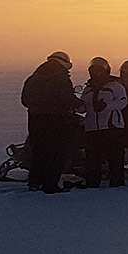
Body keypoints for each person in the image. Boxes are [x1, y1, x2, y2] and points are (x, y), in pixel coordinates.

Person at [21, 51, 80, 193]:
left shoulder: (33, 78)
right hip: (56, 120)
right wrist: (81, 105)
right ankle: (51, 185)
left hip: (35, 120)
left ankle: (34, 182)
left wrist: (37, 108)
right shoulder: (61, 78)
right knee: (56, 152)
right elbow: (67, 98)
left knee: (38, 151)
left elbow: (25, 100)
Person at [79, 57, 128, 188]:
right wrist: (77, 105)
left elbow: (123, 102)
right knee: (92, 157)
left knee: (115, 157)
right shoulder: (88, 89)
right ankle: (92, 182)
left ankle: (117, 182)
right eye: (93, 70)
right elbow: (84, 107)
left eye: (99, 70)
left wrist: (107, 105)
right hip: (92, 127)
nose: (96, 73)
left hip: (111, 126)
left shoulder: (115, 86)